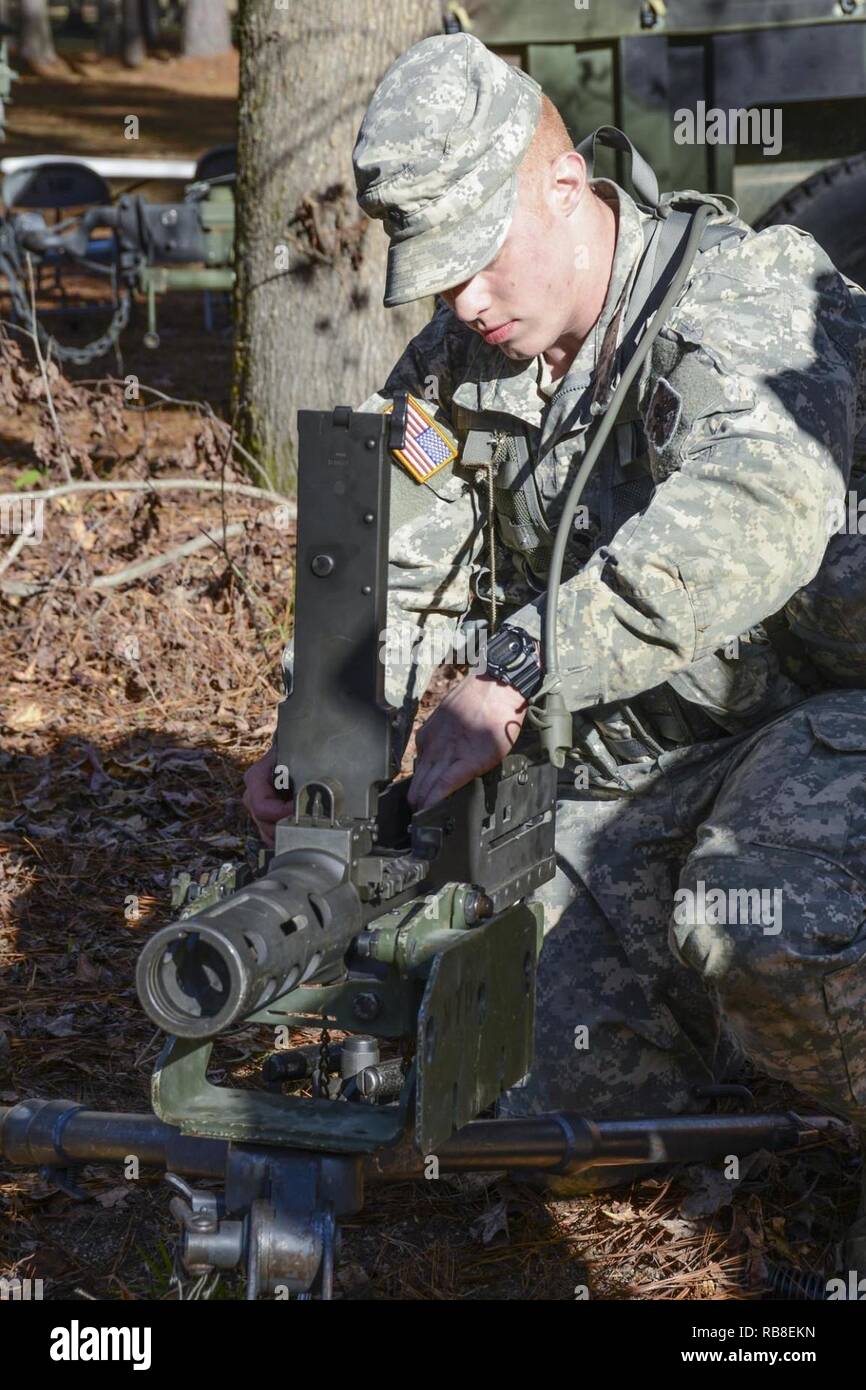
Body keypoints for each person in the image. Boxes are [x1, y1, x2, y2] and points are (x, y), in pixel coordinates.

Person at [244, 32, 866, 1268]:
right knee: (532, 1091)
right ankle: (741, 1077)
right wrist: (317, 745)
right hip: (649, 759)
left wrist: (517, 667)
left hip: (824, 716)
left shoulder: (746, 296)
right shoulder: (464, 363)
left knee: (769, 926)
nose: (461, 298)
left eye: (477, 255)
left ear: (563, 186)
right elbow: (391, 562)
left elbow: (747, 521)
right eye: (434, 273)